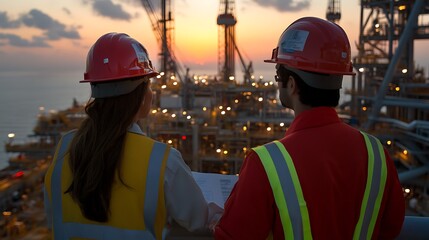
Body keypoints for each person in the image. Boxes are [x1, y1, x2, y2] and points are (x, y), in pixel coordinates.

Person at [214, 17, 405, 239]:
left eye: (278, 75)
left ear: (292, 85)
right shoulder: (377, 154)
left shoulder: (265, 164)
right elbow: (392, 226)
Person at [44, 32, 222, 239]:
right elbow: (201, 222)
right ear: (141, 93)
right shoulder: (160, 160)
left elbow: (52, 216)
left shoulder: (64, 148)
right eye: (148, 83)